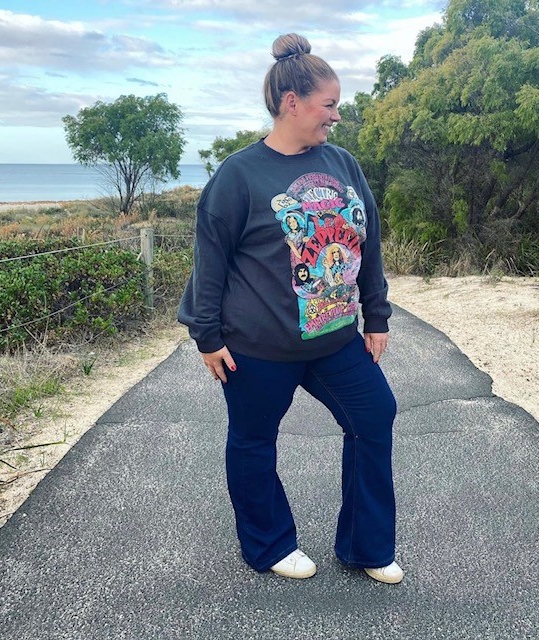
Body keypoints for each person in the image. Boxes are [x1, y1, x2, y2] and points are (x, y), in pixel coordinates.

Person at [178, 33, 403, 585]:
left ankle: (365, 545)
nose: (337, 115)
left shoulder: (343, 162)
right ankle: (268, 544)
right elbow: (211, 259)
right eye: (329, 105)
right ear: (291, 103)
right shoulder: (239, 174)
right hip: (257, 349)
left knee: (375, 416)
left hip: (335, 341)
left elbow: (366, 241)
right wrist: (206, 334)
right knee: (254, 441)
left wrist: (376, 315)